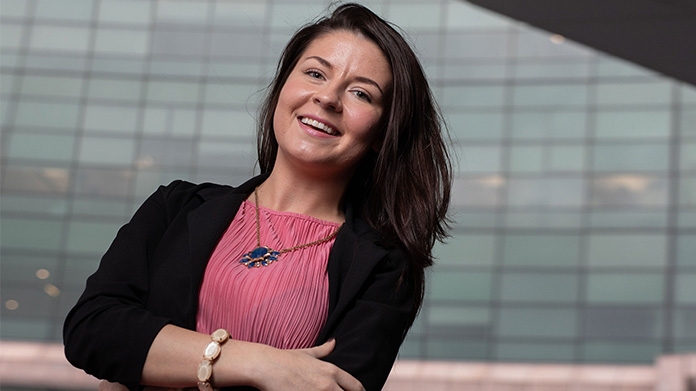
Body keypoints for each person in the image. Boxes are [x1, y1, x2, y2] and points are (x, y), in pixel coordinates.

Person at [63, 4, 452, 391]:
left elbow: (332, 386)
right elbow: (92, 330)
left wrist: (154, 364)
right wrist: (259, 363)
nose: (328, 98)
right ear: (283, 87)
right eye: (315, 73)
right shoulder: (175, 207)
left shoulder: (384, 267)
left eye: (361, 94)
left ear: (383, 133)